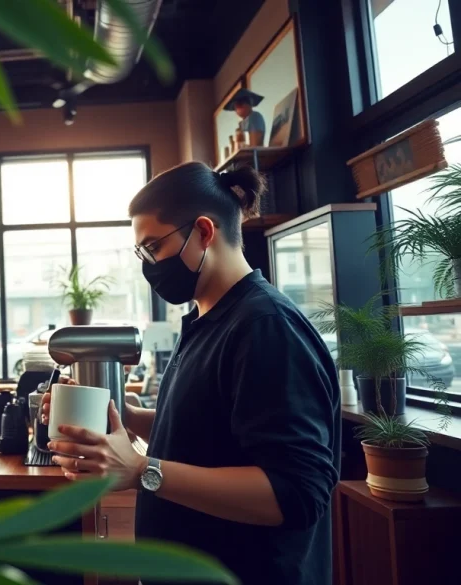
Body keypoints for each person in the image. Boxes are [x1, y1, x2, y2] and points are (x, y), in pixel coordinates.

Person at [40, 162, 340, 585]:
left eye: (153, 248)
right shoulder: (205, 318)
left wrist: (143, 469)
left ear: (203, 231)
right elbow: (211, 433)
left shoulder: (265, 327)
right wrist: (126, 417)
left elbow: (295, 492)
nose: (148, 265)